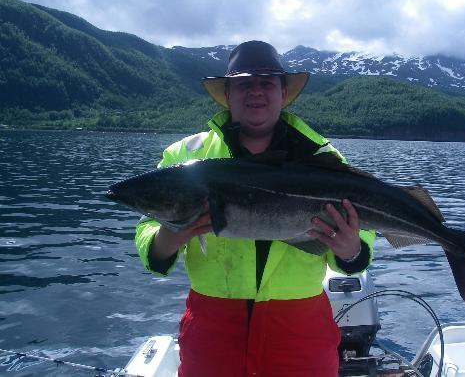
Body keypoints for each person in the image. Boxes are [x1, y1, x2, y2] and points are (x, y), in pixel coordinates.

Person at [135, 40, 375, 377]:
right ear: (228, 94)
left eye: (266, 83)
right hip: (212, 329)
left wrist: (352, 251)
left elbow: (364, 234)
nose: (256, 92)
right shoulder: (186, 157)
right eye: (244, 84)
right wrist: (167, 239)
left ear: (283, 93)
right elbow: (147, 229)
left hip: (300, 329)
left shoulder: (322, 158)